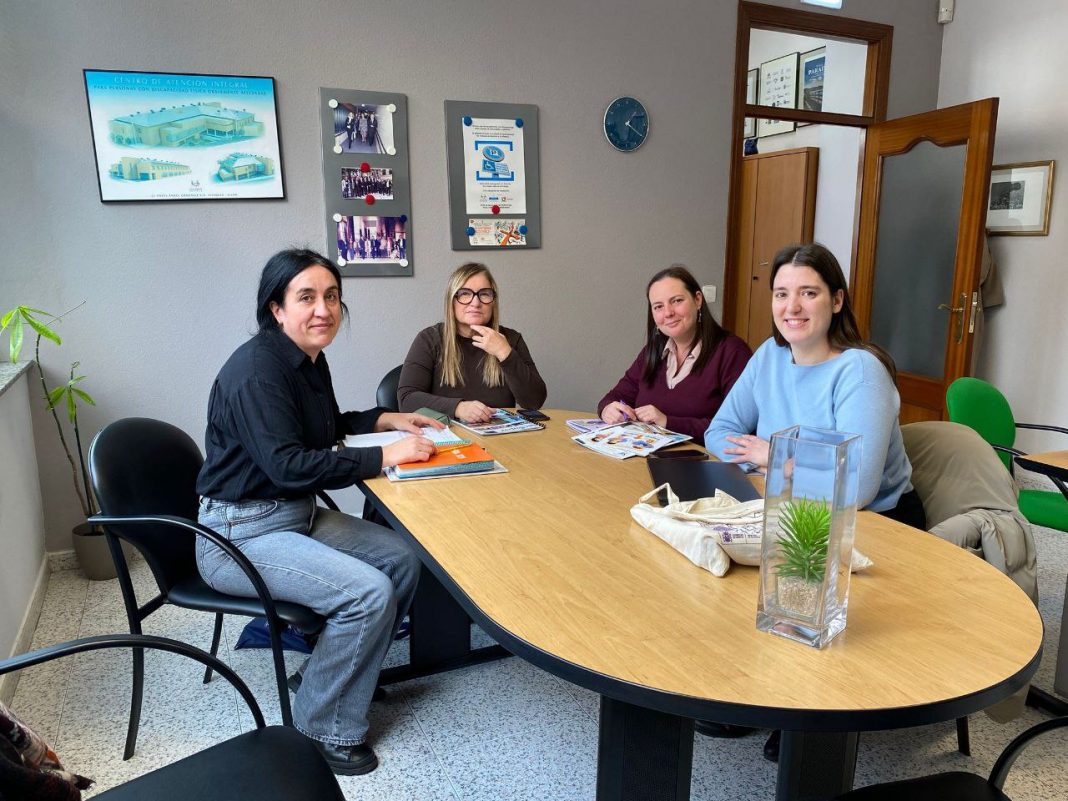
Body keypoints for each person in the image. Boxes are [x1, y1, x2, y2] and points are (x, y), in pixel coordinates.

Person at [195, 248, 443, 776]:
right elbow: (288, 465)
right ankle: (321, 728)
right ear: (275, 309)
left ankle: (328, 676)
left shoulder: (305, 357)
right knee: (368, 592)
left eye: (331, 296)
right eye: (306, 297)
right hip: (239, 533)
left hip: (291, 515)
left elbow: (322, 428)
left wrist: (381, 419)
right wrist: (383, 457)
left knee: (401, 559)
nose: (323, 309)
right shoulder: (258, 372)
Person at [704, 242, 924, 762]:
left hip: (878, 522)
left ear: (837, 301)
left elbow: (861, 485)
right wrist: (778, 463)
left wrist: (774, 455)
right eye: (782, 294)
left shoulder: (860, 370)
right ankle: (745, 690)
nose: (792, 307)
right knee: (717, 573)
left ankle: (805, 709)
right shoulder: (769, 357)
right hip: (789, 505)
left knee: (798, 590)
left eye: (809, 292)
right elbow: (720, 432)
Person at [597, 265, 751, 438]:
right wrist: (608, 409)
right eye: (658, 307)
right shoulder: (652, 352)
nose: (668, 313)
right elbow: (615, 396)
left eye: (677, 301)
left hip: (702, 460)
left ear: (698, 299)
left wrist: (667, 422)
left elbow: (738, 427)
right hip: (646, 456)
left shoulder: (732, 352)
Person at [398, 262, 547, 422]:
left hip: (501, 438)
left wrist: (505, 353)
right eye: (465, 294)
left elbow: (534, 402)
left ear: (493, 301)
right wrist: (458, 408)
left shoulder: (511, 339)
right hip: (446, 438)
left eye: (484, 294)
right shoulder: (429, 339)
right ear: (451, 300)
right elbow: (407, 400)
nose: (475, 302)